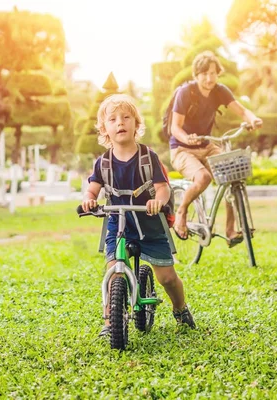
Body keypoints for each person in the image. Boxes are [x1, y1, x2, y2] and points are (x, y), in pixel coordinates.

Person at [82, 94, 195, 336]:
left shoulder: (148, 157)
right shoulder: (103, 163)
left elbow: (163, 188)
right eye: (112, 119)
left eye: (125, 117)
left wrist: (158, 201)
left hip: (149, 223)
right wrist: (89, 198)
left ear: (136, 123)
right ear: (105, 129)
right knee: (114, 269)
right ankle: (111, 322)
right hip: (119, 223)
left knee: (166, 277)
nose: (120, 123)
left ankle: (180, 308)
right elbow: (93, 186)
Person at [170, 51, 263, 245]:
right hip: (181, 149)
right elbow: (175, 127)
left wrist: (252, 119)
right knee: (203, 177)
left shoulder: (220, 91)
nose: (209, 78)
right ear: (196, 75)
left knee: (231, 174)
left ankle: (230, 231)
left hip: (207, 145)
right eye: (204, 73)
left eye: (213, 73)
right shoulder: (185, 93)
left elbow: (242, 110)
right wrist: (187, 138)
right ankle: (182, 211)